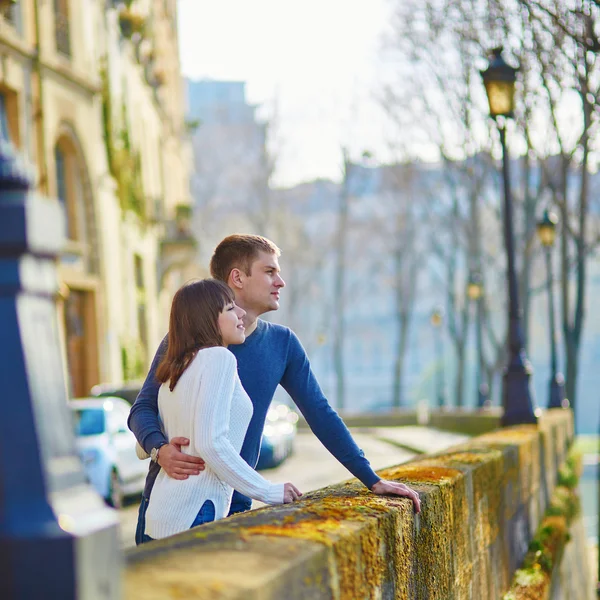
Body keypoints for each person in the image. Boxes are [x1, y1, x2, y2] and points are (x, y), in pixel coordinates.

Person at [129, 234, 420, 545]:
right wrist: (160, 449)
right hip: (169, 502)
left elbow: (320, 413)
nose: (280, 282)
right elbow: (142, 408)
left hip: (236, 504)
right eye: (269, 272)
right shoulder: (187, 339)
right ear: (238, 278)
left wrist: (371, 478)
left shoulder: (282, 344)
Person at [142, 278, 301, 540]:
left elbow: (144, 445)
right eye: (229, 309)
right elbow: (211, 443)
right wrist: (268, 491)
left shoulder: (176, 367)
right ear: (206, 319)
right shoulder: (219, 358)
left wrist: (164, 448)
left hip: (160, 514)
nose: (240, 313)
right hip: (194, 512)